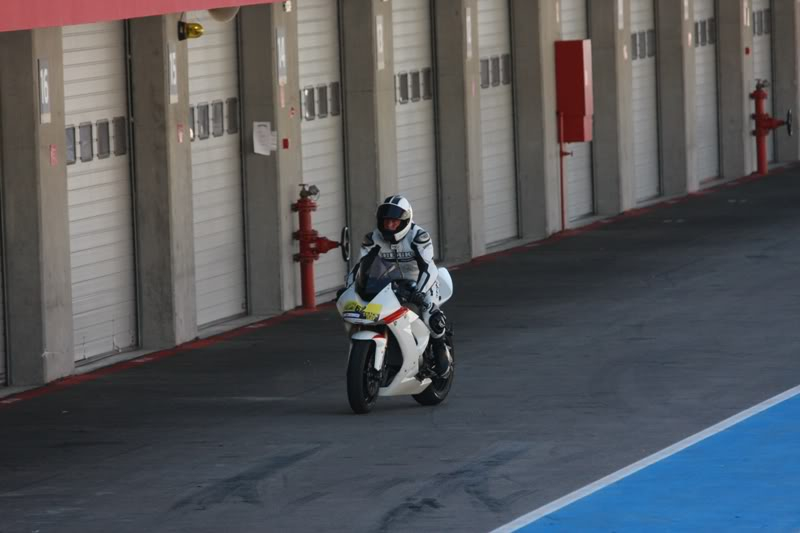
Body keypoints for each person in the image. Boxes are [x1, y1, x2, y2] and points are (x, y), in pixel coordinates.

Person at [345, 195, 451, 378]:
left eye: (394, 222)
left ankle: (441, 351)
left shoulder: (419, 236)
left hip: (420, 281)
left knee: (430, 314)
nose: (389, 226)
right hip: (388, 282)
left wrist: (420, 292)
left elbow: (427, 267)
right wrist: (349, 287)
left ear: (405, 221)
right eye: (386, 222)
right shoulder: (373, 238)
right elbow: (359, 266)